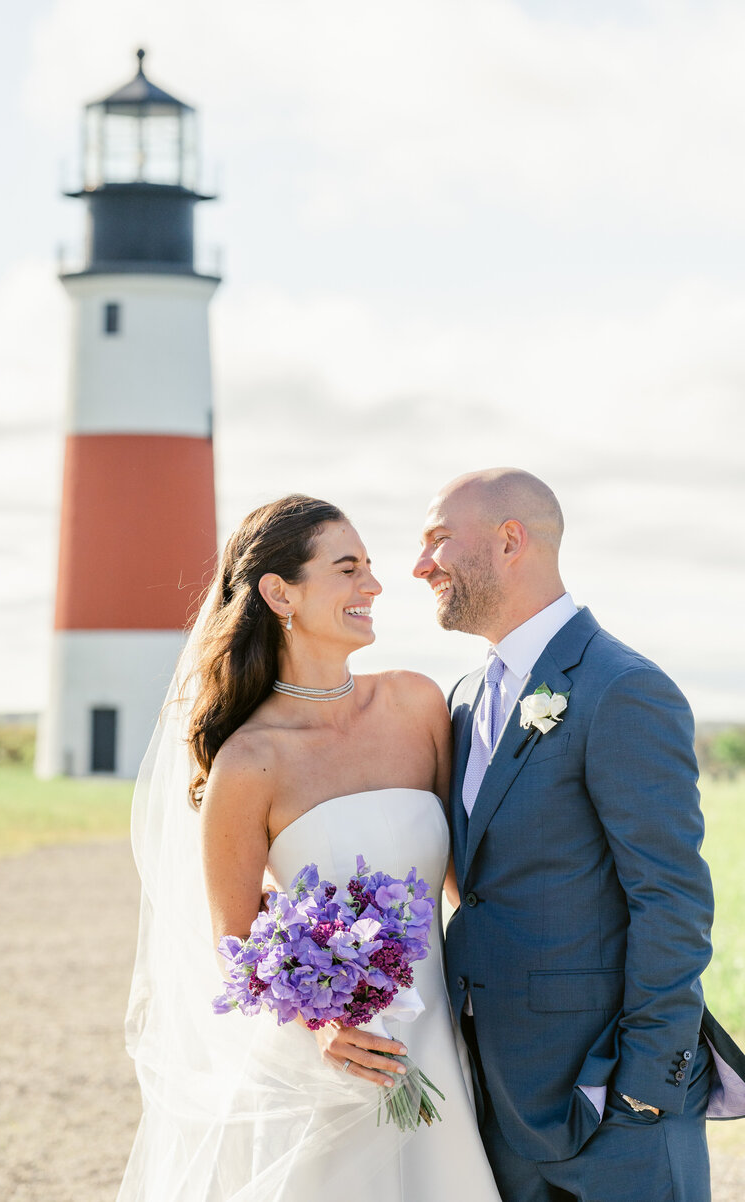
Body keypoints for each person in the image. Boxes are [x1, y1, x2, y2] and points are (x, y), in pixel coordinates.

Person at [117, 494, 501, 1202]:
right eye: (348, 569)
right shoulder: (249, 762)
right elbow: (233, 942)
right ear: (279, 592)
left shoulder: (418, 706)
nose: (375, 587)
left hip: (439, 1044)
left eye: (370, 568)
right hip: (334, 1068)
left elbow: (466, 887)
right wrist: (324, 1022)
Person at [413, 467, 745, 1202]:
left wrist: (646, 1090)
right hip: (495, 1101)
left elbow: (674, 902)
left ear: (510, 541)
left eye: (438, 540)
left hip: (614, 1106)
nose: (420, 565)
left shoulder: (622, 688)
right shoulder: (467, 699)